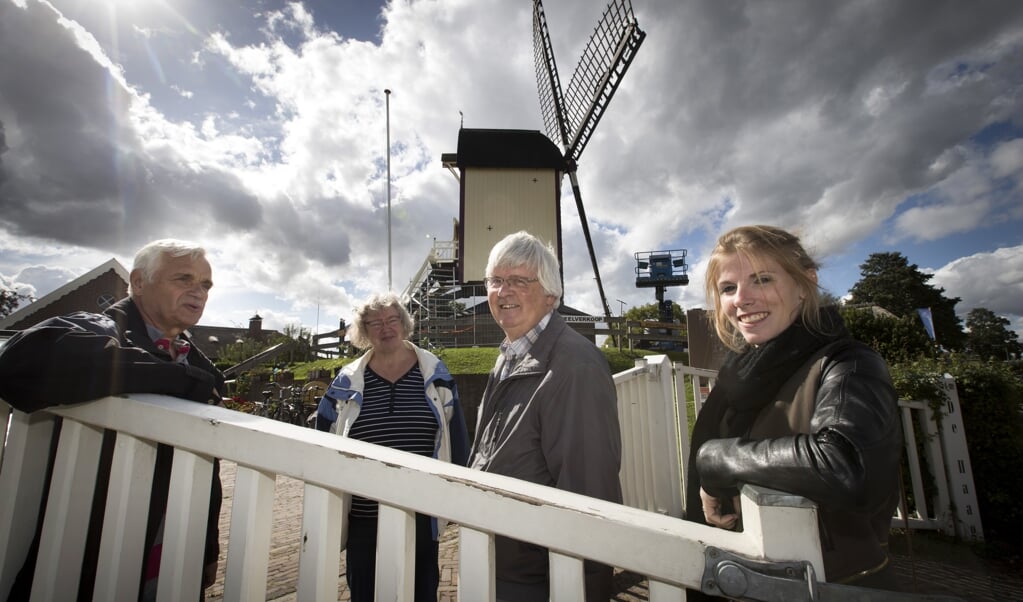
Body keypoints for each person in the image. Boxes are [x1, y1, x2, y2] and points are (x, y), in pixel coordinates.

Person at [0, 238, 225, 601]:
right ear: (137, 282)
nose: (197, 291)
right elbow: (20, 363)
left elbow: (209, 467)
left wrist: (208, 548)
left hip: (171, 545)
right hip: (92, 544)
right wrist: (174, 378)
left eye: (205, 284)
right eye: (183, 279)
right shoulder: (100, 326)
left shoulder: (202, 366)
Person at [685, 225, 902, 596]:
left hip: (827, 584)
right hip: (736, 575)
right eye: (728, 288)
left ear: (804, 285)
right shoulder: (738, 374)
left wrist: (716, 460)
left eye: (762, 279)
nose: (742, 299)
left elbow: (846, 464)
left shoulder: (849, 364)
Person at [468, 231, 623, 601]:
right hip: (506, 561)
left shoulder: (575, 366)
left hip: (541, 577)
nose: (503, 291)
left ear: (551, 295)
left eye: (520, 281)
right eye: (495, 280)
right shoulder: (511, 351)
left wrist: (583, 587)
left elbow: (589, 493)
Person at [314, 292, 470, 602]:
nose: (385, 328)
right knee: (365, 592)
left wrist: (458, 494)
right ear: (364, 331)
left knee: (421, 591)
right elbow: (323, 439)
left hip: (421, 514)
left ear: (403, 323)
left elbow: (457, 437)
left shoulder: (435, 374)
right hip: (364, 517)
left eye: (392, 320)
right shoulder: (347, 381)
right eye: (375, 323)